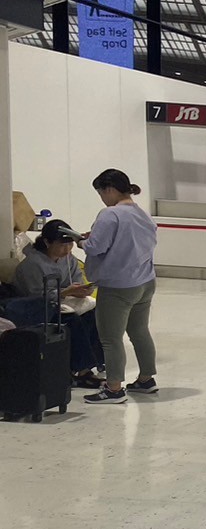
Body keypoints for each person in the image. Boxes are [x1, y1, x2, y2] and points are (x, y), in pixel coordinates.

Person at [78, 169, 159, 404]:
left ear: (110, 190)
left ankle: (113, 389)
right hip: (145, 281)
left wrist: (81, 241)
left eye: (101, 193)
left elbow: (95, 248)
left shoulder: (110, 214)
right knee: (140, 331)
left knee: (110, 338)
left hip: (118, 286)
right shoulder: (142, 213)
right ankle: (146, 379)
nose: (102, 199)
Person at [14, 218, 106, 387]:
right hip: (36, 308)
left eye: (70, 244)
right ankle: (82, 370)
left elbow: (77, 278)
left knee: (93, 314)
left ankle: (97, 360)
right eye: (62, 245)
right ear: (47, 242)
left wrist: (82, 290)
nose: (67, 249)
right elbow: (36, 296)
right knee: (72, 320)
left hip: (62, 301)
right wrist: (66, 292)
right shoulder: (32, 264)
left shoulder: (68, 259)